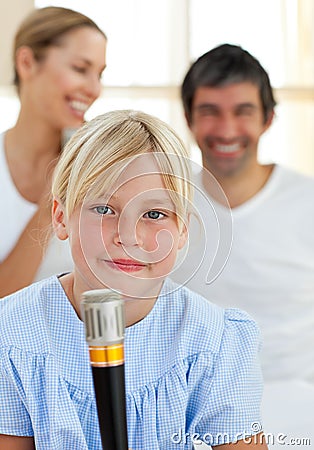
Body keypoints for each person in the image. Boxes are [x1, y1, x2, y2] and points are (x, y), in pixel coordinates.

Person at [0, 110, 268, 449]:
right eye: (104, 209)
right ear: (61, 217)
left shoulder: (214, 340)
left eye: (154, 214)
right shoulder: (10, 335)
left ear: (182, 229)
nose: (128, 236)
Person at [171, 43, 314, 445]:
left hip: (299, 410)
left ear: (268, 118)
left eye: (243, 111)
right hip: (189, 414)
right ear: (188, 119)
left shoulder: (307, 202)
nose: (227, 130)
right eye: (210, 111)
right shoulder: (162, 204)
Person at [0, 6, 107, 296]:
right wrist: (53, 195)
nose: (94, 88)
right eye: (80, 69)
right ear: (27, 63)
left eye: (99, 74)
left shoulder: (94, 174)